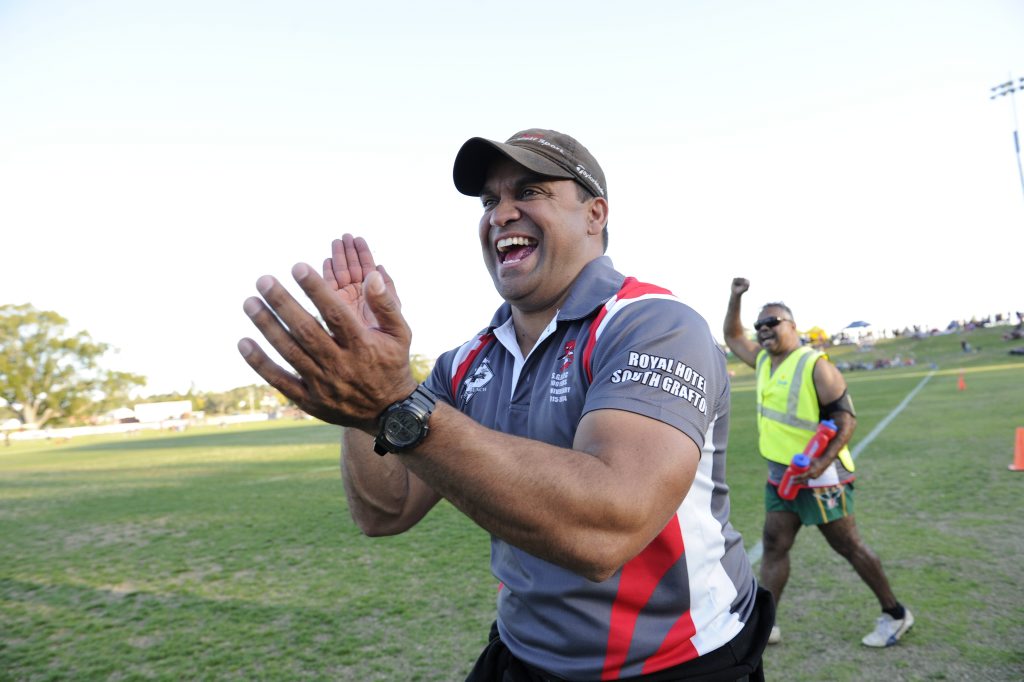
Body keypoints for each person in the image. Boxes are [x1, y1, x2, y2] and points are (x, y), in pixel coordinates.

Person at [238, 129, 773, 680]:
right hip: (522, 654)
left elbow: (608, 530)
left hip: (679, 661)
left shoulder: (653, 324)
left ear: (594, 215)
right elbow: (384, 510)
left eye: (531, 191)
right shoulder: (465, 363)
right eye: (490, 200)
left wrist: (393, 402)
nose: (501, 214)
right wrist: (363, 402)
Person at [723, 278, 913, 648]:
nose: (764, 330)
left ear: (793, 326)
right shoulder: (763, 361)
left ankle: (895, 614)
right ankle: (767, 625)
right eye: (760, 326)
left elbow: (846, 420)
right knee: (775, 544)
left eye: (773, 323)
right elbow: (732, 335)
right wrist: (735, 297)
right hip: (782, 476)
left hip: (823, 476)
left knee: (849, 546)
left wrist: (819, 463)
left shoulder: (815, 366)